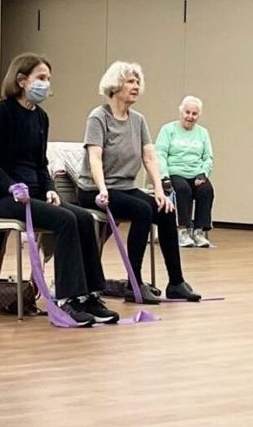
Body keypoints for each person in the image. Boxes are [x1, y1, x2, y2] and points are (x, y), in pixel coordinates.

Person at [0, 54, 116, 326]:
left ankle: (89, 295)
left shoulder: (41, 117)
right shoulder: (3, 112)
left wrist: (50, 188)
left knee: (83, 218)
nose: (46, 84)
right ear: (21, 80)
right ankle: (67, 299)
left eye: (48, 79)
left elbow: (41, 163)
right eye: (41, 78)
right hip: (5, 197)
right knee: (65, 220)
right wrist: (10, 185)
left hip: (35, 195)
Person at [79, 62, 201, 302]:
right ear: (115, 85)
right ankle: (133, 283)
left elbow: (150, 157)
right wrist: (102, 189)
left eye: (137, 82)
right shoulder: (98, 117)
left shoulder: (138, 120)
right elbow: (95, 158)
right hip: (96, 189)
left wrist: (159, 191)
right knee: (142, 210)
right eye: (130, 81)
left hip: (125, 187)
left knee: (166, 210)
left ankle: (176, 282)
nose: (136, 86)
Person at [156, 95, 215, 249]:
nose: (190, 116)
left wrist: (204, 173)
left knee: (206, 190)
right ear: (181, 112)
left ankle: (199, 232)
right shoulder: (168, 130)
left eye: (194, 114)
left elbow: (208, 157)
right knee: (183, 190)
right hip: (175, 172)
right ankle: (182, 230)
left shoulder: (203, 133)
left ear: (198, 115)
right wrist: (164, 176)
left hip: (196, 173)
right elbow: (160, 154)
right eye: (187, 112)